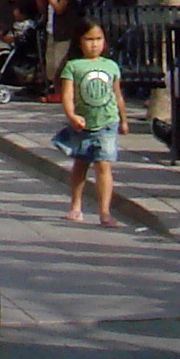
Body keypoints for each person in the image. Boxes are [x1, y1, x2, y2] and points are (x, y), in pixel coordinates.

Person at [57, 18, 128, 225]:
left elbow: (117, 95)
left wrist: (123, 119)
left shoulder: (111, 66)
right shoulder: (73, 66)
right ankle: (76, 205)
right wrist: (71, 115)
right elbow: (67, 95)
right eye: (89, 39)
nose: (94, 44)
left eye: (98, 39)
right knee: (81, 164)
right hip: (84, 124)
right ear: (79, 42)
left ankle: (105, 211)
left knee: (104, 165)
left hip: (107, 122)